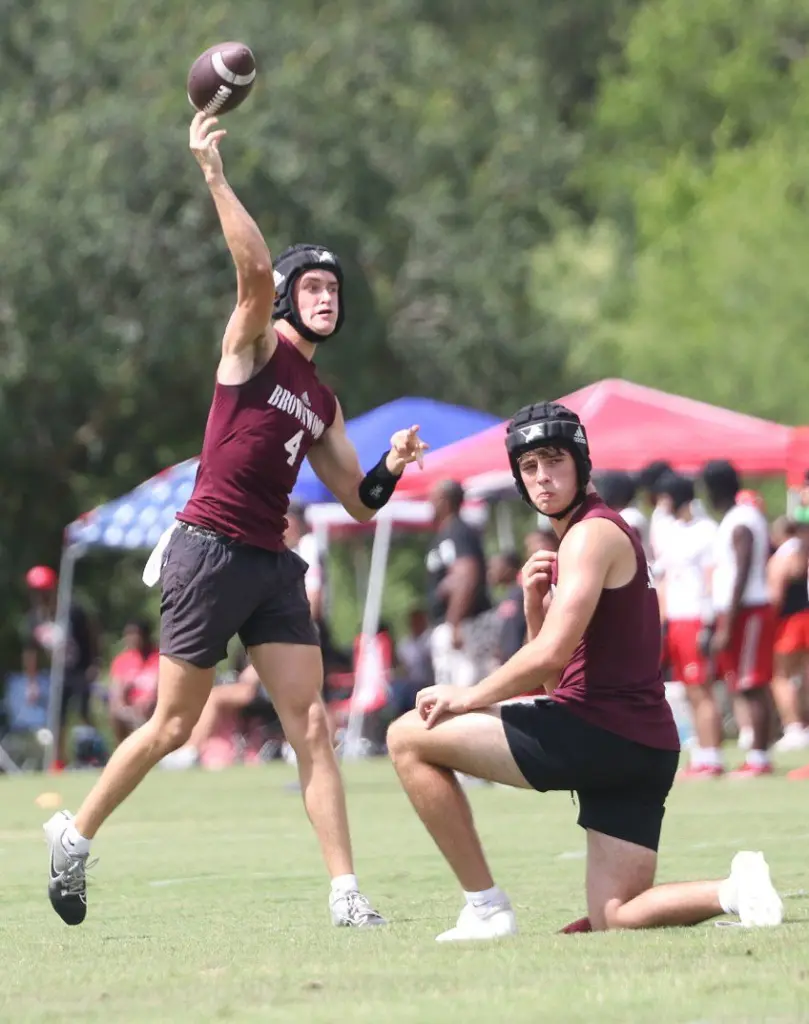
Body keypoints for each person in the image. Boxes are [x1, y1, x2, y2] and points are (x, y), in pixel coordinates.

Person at [44, 111, 427, 928]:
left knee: (312, 724)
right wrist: (214, 174)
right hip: (209, 551)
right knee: (173, 726)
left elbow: (358, 501)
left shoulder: (322, 399)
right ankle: (72, 836)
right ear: (286, 296)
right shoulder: (254, 349)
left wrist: (392, 463)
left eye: (334, 289)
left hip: (268, 563)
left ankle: (346, 895)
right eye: (312, 287)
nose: (326, 298)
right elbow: (251, 271)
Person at [386, 402, 783, 941]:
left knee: (407, 736)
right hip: (642, 747)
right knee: (616, 913)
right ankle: (734, 890)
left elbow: (550, 659)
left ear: (580, 463)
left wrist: (469, 695)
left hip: (601, 735)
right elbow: (559, 681)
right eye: (529, 467)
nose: (542, 476)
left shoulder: (589, 535)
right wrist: (534, 608)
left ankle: (485, 909)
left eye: (554, 460)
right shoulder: (587, 536)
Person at [701, 460, 775, 777]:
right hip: (739, 609)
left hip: (748, 609)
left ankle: (759, 757)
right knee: (745, 683)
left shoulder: (741, 520)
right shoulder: (738, 516)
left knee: (751, 683)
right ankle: (757, 754)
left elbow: (742, 572)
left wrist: (728, 624)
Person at [653, 475, 721, 777]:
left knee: (701, 688)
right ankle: (701, 754)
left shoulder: (706, 531)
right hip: (676, 619)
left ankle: (713, 756)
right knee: (689, 690)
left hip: (696, 616)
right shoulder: (672, 531)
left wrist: (709, 621)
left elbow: (711, 577)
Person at [22, 566, 100, 771]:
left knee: (84, 711)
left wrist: (94, 663)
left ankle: (95, 753)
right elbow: (31, 652)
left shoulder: (71, 610)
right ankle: (58, 759)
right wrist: (32, 683)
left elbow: (91, 636)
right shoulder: (35, 619)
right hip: (58, 674)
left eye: (44, 591)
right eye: (37, 592)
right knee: (58, 717)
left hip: (80, 669)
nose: (41, 596)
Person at [425, 480, 491, 688]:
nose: (430, 504)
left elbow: (466, 576)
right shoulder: (448, 533)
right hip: (456, 625)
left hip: (463, 626)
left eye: (433, 498)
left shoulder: (457, 532)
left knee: (461, 693)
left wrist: (455, 623)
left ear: (445, 501)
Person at [767, 517, 809, 752]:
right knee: (803, 674)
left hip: (788, 623)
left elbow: (775, 596)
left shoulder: (782, 558)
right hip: (805, 617)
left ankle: (794, 727)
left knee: (781, 676)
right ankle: (804, 724)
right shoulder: (802, 553)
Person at [107, 621, 160, 745]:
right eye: (128, 635)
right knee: (114, 712)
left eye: (135, 634)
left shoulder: (160, 657)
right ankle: (122, 748)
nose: (130, 639)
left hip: (154, 706)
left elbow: (162, 687)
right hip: (130, 708)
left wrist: (148, 701)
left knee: (149, 708)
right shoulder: (122, 660)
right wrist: (121, 705)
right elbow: (116, 691)